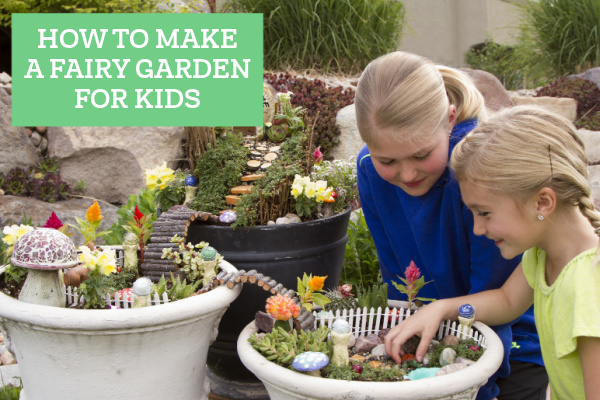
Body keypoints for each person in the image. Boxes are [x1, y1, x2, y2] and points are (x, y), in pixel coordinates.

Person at [355, 51, 546, 400]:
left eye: (421, 155)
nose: (408, 174)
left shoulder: (479, 169)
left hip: (511, 344)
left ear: (449, 119)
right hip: (432, 334)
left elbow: (500, 297)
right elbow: (399, 278)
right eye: (388, 160)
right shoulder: (369, 170)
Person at [384, 105, 600, 399]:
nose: (477, 229)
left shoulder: (588, 288)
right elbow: (507, 300)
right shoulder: (544, 256)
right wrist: (441, 309)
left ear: (542, 203)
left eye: (484, 212)